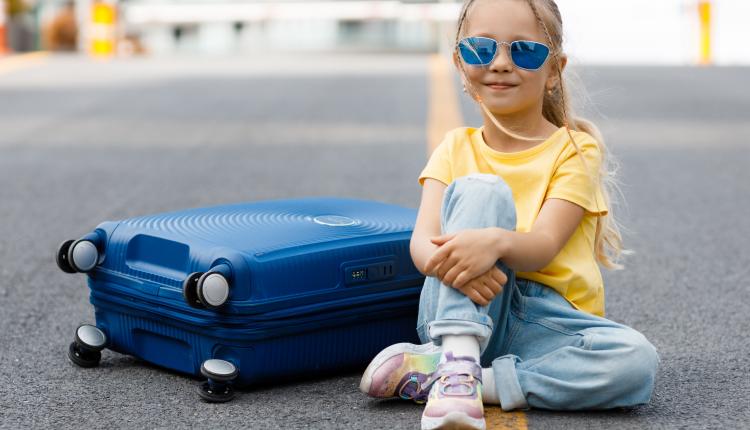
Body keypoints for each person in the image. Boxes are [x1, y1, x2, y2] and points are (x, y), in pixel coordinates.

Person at [358, 1, 661, 429]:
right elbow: (422, 246)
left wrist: (495, 244)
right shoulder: (455, 148)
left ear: (554, 70)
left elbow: (542, 247)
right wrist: (466, 260)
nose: (501, 63)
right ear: (461, 64)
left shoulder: (576, 150)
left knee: (636, 362)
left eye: (524, 51)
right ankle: (457, 355)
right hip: (458, 307)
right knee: (483, 188)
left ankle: (464, 380)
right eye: (482, 49)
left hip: (546, 323)